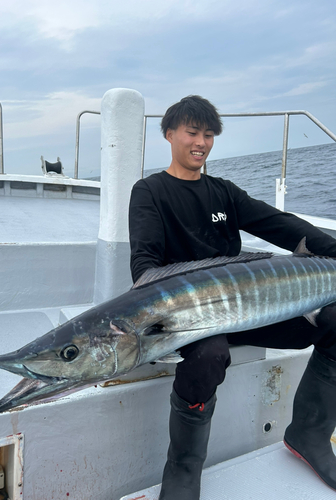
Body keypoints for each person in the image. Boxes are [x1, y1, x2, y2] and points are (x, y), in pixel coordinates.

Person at [128, 95, 336, 500]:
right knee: (208, 356)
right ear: (169, 134)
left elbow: (281, 225)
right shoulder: (150, 192)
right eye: (192, 132)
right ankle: (184, 469)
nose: (200, 142)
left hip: (248, 310)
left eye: (208, 135)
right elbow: (145, 266)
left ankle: (309, 435)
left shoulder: (223, 192)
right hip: (190, 320)